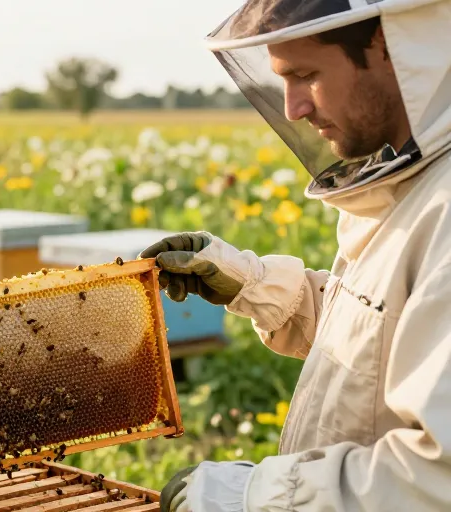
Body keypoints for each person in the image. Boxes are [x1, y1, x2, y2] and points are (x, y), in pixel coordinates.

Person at [149, 0, 451, 510]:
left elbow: (437, 479)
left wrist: (251, 497)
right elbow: (390, 343)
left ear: (389, 44)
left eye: (306, 75)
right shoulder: (410, 185)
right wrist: (255, 285)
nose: (293, 108)